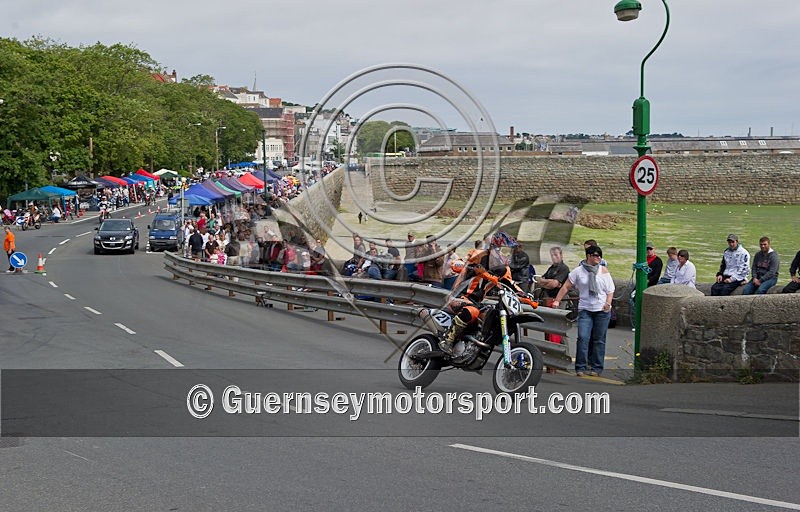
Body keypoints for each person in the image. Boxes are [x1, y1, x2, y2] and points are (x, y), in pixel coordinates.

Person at [552, 245, 615, 377]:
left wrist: (608, 303)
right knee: (583, 338)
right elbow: (566, 287)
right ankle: (580, 366)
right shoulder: (578, 271)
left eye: (600, 255)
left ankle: (596, 367)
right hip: (586, 309)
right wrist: (557, 300)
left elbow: (610, 290)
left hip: (601, 310)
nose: (598, 258)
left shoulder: (603, 271)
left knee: (599, 340)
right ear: (588, 256)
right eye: (596, 255)